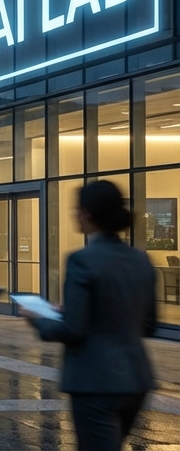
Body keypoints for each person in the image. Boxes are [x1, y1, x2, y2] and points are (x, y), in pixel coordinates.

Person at [22, 180, 156, 451]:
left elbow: (73, 329)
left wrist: (39, 319)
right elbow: (148, 325)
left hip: (94, 381)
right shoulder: (141, 260)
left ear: (86, 214)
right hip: (135, 379)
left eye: (76, 209)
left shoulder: (82, 259)